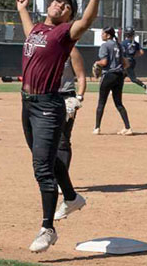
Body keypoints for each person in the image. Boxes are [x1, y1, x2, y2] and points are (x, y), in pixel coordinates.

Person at [16, 0, 102, 252]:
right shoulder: (39, 30)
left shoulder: (64, 35)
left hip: (47, 106)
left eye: (67, 6)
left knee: (42, 169)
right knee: (49, 159)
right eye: (57, 1)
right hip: (27, 104)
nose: (60, 5)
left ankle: (48, 229)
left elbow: (86, 21)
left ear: (69, 18)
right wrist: (21, 9)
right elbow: (28, 28)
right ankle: (73, 197)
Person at [57, 46, 87, 190]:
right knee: (46, 140)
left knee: (63, 140)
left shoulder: (71, 50)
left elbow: (81, 76)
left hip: (66, 96)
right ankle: (50, 175)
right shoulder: (46, 46)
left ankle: (61, 181)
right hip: (47, 96)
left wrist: (78, 98)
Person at [93, 27, 132, 136]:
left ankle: (97, 128)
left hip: (108, 75)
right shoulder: (119, 45)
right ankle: (128, 128)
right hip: (119, 76)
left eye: (103, 33)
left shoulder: (105, 46)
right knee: (119, 103)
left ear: (108, 35)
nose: (102, 35)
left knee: (101, 102)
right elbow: (126, 64)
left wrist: (97, 63)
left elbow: (104, 62)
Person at [121, 28, 147, 98]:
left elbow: (121, 53)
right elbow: (141, 52)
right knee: (121, 76)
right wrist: (134, 55)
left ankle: (146, 87)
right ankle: (113, 89)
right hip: (132, 61)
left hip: (126, 61)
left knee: (133, 79)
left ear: (126, 34)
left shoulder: (123, 43)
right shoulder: (135, 43)